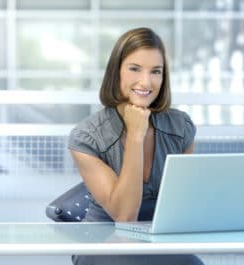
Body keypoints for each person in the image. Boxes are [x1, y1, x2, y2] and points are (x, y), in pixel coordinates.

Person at [68, 27, 204, 265]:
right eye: (134, 68)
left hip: (160, 239)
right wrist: (135, 135)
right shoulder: (86, 136)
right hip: (104, 239)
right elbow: (125, 216)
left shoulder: (180, 127)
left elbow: (186, 204)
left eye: (156, 71)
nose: (146, 81)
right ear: (116, 72)